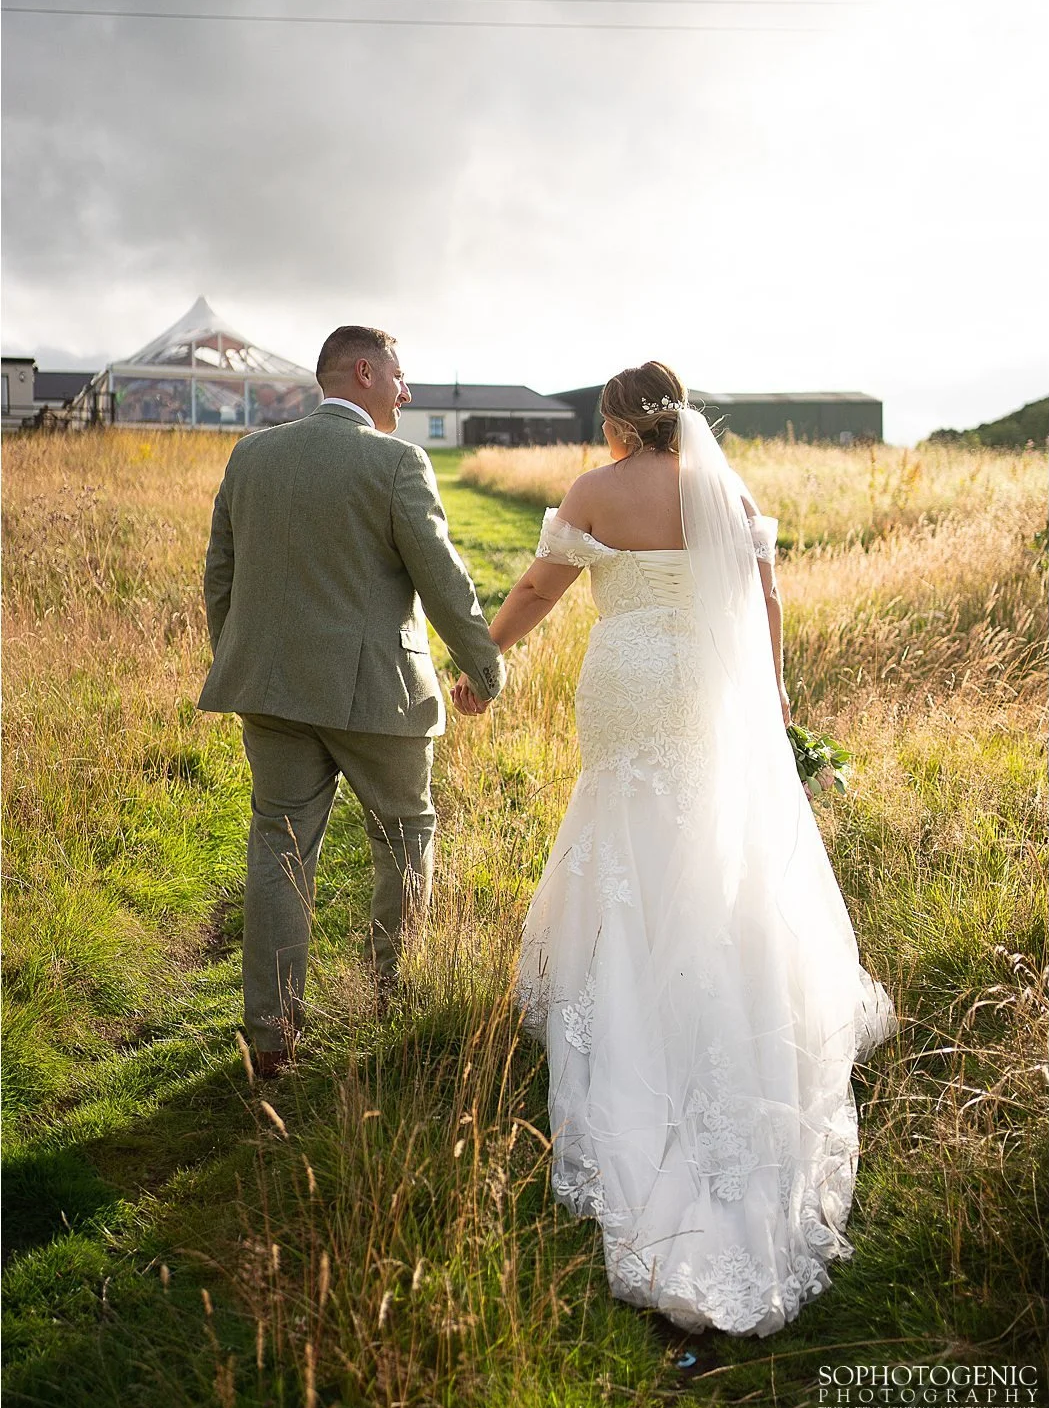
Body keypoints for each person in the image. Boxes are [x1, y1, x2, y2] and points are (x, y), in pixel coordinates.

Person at [452, 361, 896, 1337]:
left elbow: (539, 585)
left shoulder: (596, 489)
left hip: (628, 681)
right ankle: (719, 983)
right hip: (704, 685)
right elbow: (765, 600)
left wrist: (484, 657)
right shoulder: (727, 491)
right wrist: (772, 694)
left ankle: (628, 991)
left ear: (617, 420)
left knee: (623, 819)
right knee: (704, 824)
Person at [199, 326, 504, 1077]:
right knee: (405, 837)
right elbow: (443, 580)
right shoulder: (397, 461)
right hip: (380, 698)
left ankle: (271, 1037)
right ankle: (390, 1002)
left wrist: (243, 662)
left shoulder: (250, 455)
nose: (407, 392)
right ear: (365, 372)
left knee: (279, 846)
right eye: (400, 376)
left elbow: (220, 575)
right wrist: (485, 667)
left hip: (270, 691)